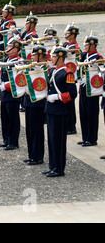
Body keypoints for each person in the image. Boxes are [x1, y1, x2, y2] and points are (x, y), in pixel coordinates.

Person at [43, 46, 77, 177]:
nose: (51, 58)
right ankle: (52, 165)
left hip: (60, 111)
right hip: (51, 110)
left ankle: (59, 168)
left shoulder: (67, 73)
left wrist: (57, 97)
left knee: (58, 140)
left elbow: (72, 93)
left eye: (54, 56)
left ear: (60, 58)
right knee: (51, 140)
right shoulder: (53, 71)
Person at [22, 45, 48, 166]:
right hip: (29, 101)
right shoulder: (32, 67)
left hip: (39, 103)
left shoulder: (45, 68)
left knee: (37, 131)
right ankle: (31, 154)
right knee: (30, 129)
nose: (31, 57)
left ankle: (38, 156)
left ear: (40, 55)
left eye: (34, 55)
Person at [0, 39, 25, 150]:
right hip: (5, 92)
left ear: (15, 49)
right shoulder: (7, 59)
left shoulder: (19, 62)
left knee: (13, 118)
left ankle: (13, 141)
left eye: (9, 46)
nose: (6, 48)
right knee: (4, 116)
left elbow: (19, 79)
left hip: (13, 93)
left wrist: (6, 86)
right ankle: (6, 139)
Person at [78, 34, 103, 147]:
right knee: (83, 114)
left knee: (92, 115)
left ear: (93, 45)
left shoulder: (98, 57)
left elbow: (101, 74)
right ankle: (85, 137)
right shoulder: (84, 55)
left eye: (87, 44)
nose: (85, 46)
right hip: (83, 89)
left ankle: (92, 138)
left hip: (92, 90)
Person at [63, 23, 81, 135]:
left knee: (70, 104)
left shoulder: (74, 47)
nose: (65, 34)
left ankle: (71, 126)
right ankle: (68, 125)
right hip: (66, 77)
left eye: (68, 33)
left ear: (73, 35)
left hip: (70, 78)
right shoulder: (67, 45)